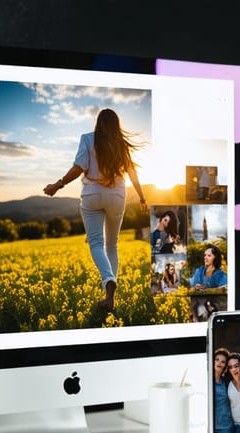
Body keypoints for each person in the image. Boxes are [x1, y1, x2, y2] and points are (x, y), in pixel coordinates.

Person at [43, 108, 148, 313]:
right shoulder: (121, 145)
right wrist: (142, 197)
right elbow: (133, 174)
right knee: (112, 245)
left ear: (98, 123)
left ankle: (108, 279)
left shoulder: (87, 139)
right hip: (117, 196)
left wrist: (58, 184)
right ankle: (111, 295)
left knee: (96, 243)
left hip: (92, 194)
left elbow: (79, 167)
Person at [212, 347, 235, 433]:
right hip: (213, 428)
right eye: (217, 360)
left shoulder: (226, 381)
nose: (219, 363)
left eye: (223, 362)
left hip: (228, 427)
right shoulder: (207, 381)